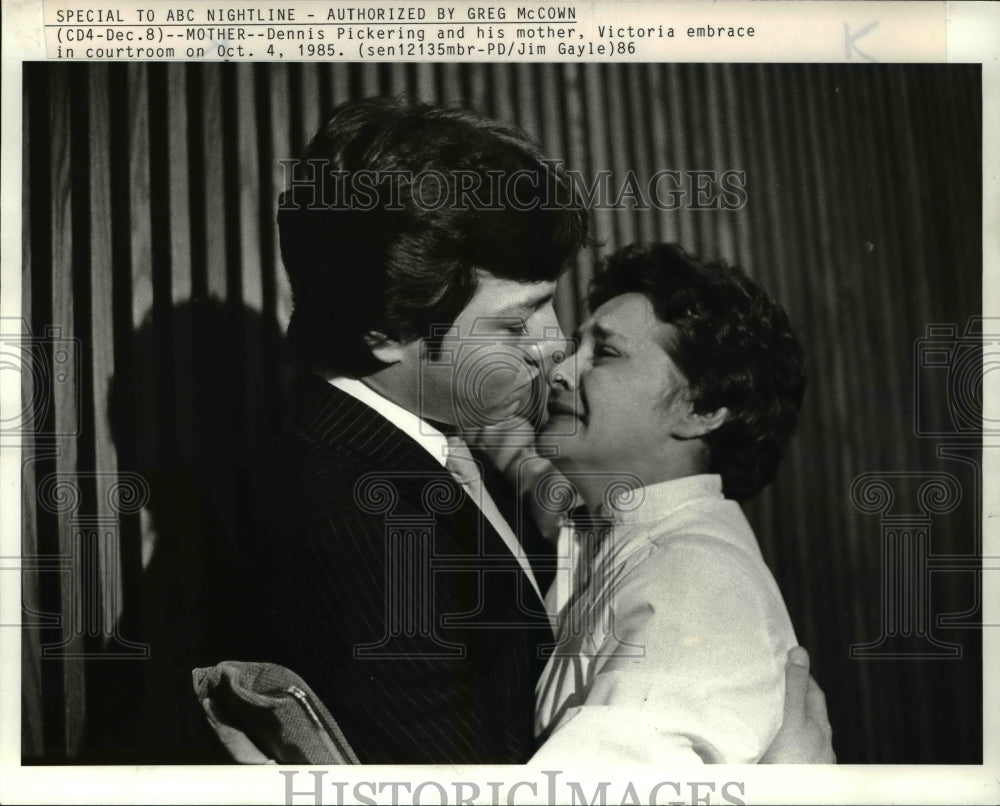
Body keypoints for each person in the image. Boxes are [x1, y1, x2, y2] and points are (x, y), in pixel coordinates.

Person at [240, 97, 832, 765]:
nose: (552, 348)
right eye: (517, 323)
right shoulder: (363, 529)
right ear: (387, 335)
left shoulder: (421, 442)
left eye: (557, 310)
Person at [524, 242, 814, 763]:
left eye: (605, 354)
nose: (560, 370)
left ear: (701, 410)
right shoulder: (621, 540)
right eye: (574, 347)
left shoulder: (696, 580)